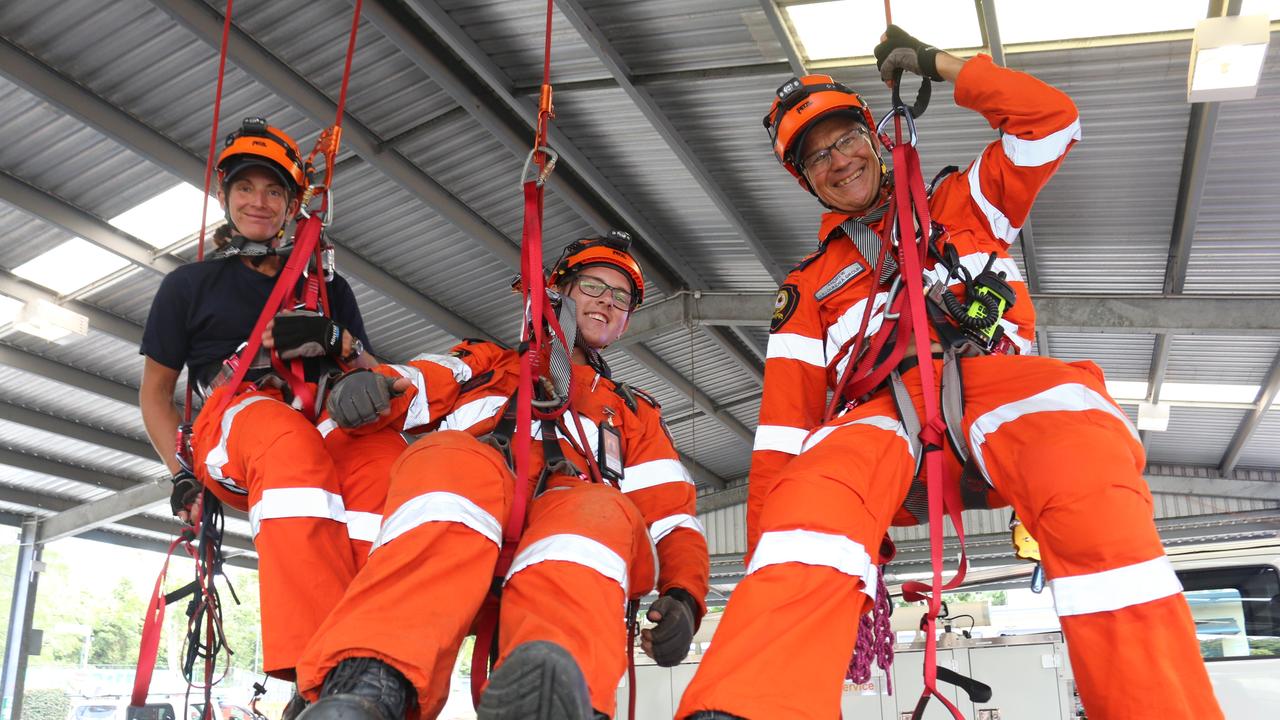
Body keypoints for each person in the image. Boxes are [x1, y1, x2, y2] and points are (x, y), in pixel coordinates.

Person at [674, 26, 1223, 720]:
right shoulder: (807, 290)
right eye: (814, 159)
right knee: (810, 497)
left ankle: (1156, 705)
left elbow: (1051, 120)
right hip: (883, 415)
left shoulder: (967, 202)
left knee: (1085, 449)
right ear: (804, 180)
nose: (837, 162)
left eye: (843, 138)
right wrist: (767, 547)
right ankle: (748, 706)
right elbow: (784, 432)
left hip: (996, 385)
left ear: (875, 136)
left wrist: (946, 67)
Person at [290, 232, 710, 720]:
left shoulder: (635, 412)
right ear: (559, 293)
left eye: (620, 298)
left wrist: (684, 594)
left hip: (568, 515)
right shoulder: (487, 363)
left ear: (625, 321)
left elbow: (671, 516)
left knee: (598, 512)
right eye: (594, 286)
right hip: (476, 505)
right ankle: (370, 688)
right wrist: (372, 387)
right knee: (448, 459)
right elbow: (420, 381)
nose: (606, 301)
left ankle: (554, 700)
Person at [139, 117, 407, 683]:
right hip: (236, 422)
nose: (258, 201)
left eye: (274, 190)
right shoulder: (188, 287)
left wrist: (338, 339)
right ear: (225, 196)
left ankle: (375, 652)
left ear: (293, 206)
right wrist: (182, 475)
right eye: (245, 187)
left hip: (317, 419)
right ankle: (315, 669)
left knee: (386, 464)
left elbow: (371, 377)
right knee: (288, 446)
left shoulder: (329, 289)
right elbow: (156, 394)